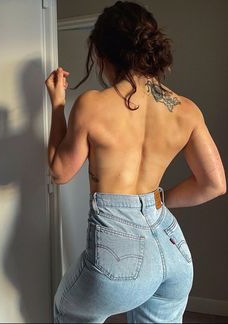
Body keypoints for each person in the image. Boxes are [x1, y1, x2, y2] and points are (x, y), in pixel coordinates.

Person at [45, 1, 226, 323]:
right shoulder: (186, 109)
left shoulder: (92, 104)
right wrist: (155, 202)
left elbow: (60, 172)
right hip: (172, 250)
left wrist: (57, 105)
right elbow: (214, 184)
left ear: (101, 53)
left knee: (68, 312)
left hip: (119, 253)